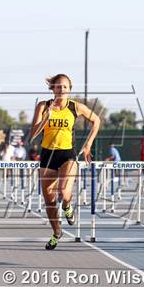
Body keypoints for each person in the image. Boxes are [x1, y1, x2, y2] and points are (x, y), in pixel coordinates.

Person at [30, 74, 100, 250]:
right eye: (58, 87)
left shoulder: (75, 107)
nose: (61, 90)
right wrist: (46, 118)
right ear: (52, 89)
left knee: (63, 191)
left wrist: (88, 145)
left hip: (67, 154)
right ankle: (56, 233)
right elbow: (32, 135)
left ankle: (68, 207)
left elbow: (96, 121)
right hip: (47, 156)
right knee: (49, 201)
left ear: (69, 89)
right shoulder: (43, 106)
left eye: (65, 87)